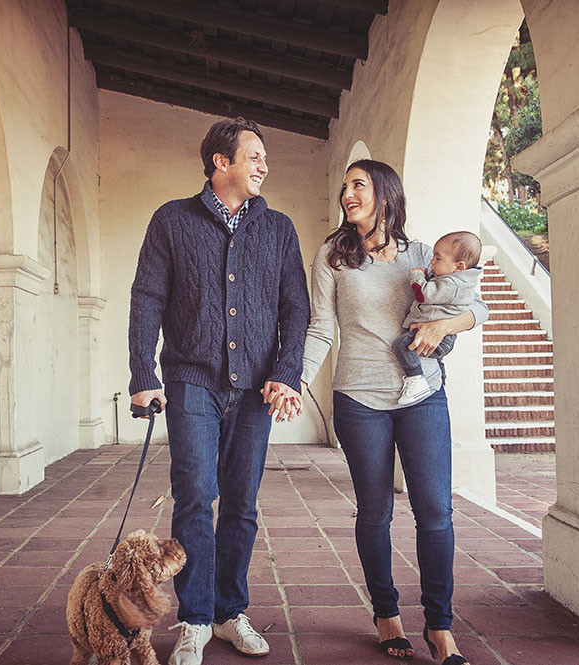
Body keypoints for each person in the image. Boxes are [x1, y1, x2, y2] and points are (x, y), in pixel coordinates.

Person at [127, 117, 309, 665]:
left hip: (256, 387)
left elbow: (295, 308)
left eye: (265, 157)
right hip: (190, 381)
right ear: (220, 163)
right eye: (253, 156)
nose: (263, 165)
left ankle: (230, 612)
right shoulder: (171, 221)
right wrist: (142, 376)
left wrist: (287, 369)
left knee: (242, 503)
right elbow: (146, 298)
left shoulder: (279, 229)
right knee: (193, 497)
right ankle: (195, 618)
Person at [295, 159, 485, 665]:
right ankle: (386, 615)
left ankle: (440, 627)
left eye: (359, 184)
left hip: (421, 395)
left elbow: (475, 307)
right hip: (359, 399)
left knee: (436, 512)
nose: (347, 193)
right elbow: (320, 329)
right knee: (375, 512)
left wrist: (443, 329)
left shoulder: (426, 255)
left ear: (385, 193)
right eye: (344, 185)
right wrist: (294, 381)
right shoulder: (332, 256)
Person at [392, 231, 483, 405]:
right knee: (437, 363)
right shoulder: (453, 279)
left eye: (438, 258)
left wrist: (417, 277)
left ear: (459, 266)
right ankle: (439, 381)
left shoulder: (454, 284)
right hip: (443, 338)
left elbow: (424, 296)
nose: (432, 261)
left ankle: (416, 379)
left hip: (441, 338)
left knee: (402, 345)